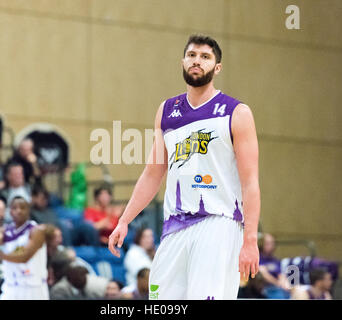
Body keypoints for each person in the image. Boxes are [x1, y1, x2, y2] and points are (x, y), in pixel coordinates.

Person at [108, 34, 261, 300]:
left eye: (205, 57)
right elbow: (153, 173)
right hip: (174, 225)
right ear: (183, 61)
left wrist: (250, 240)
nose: (197, 61)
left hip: (218, 222)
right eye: (192, 55)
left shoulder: (236, 113)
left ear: (217, 67)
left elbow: (250, 183)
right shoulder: (167, 110)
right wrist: (124, 221)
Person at [0, 196, 49, 300]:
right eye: (14, 208)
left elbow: (24, 257)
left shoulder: (36, 231)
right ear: (9, 211)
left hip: (32, 288)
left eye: (22, 208)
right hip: (11, 286)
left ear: (28, 210)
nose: (18, 211)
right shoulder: (6, 230)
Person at [258, 233, 291, 299]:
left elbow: (281, 274)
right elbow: (263, 274)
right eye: (268, 243)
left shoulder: (275, 260)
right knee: (280, 295)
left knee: (296, 291)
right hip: (264, 287)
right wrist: (277, 283)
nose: (271, 246)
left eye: (272, 243)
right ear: (261, 244)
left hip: (278, 287)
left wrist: (284, 283)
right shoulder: (258, 258)